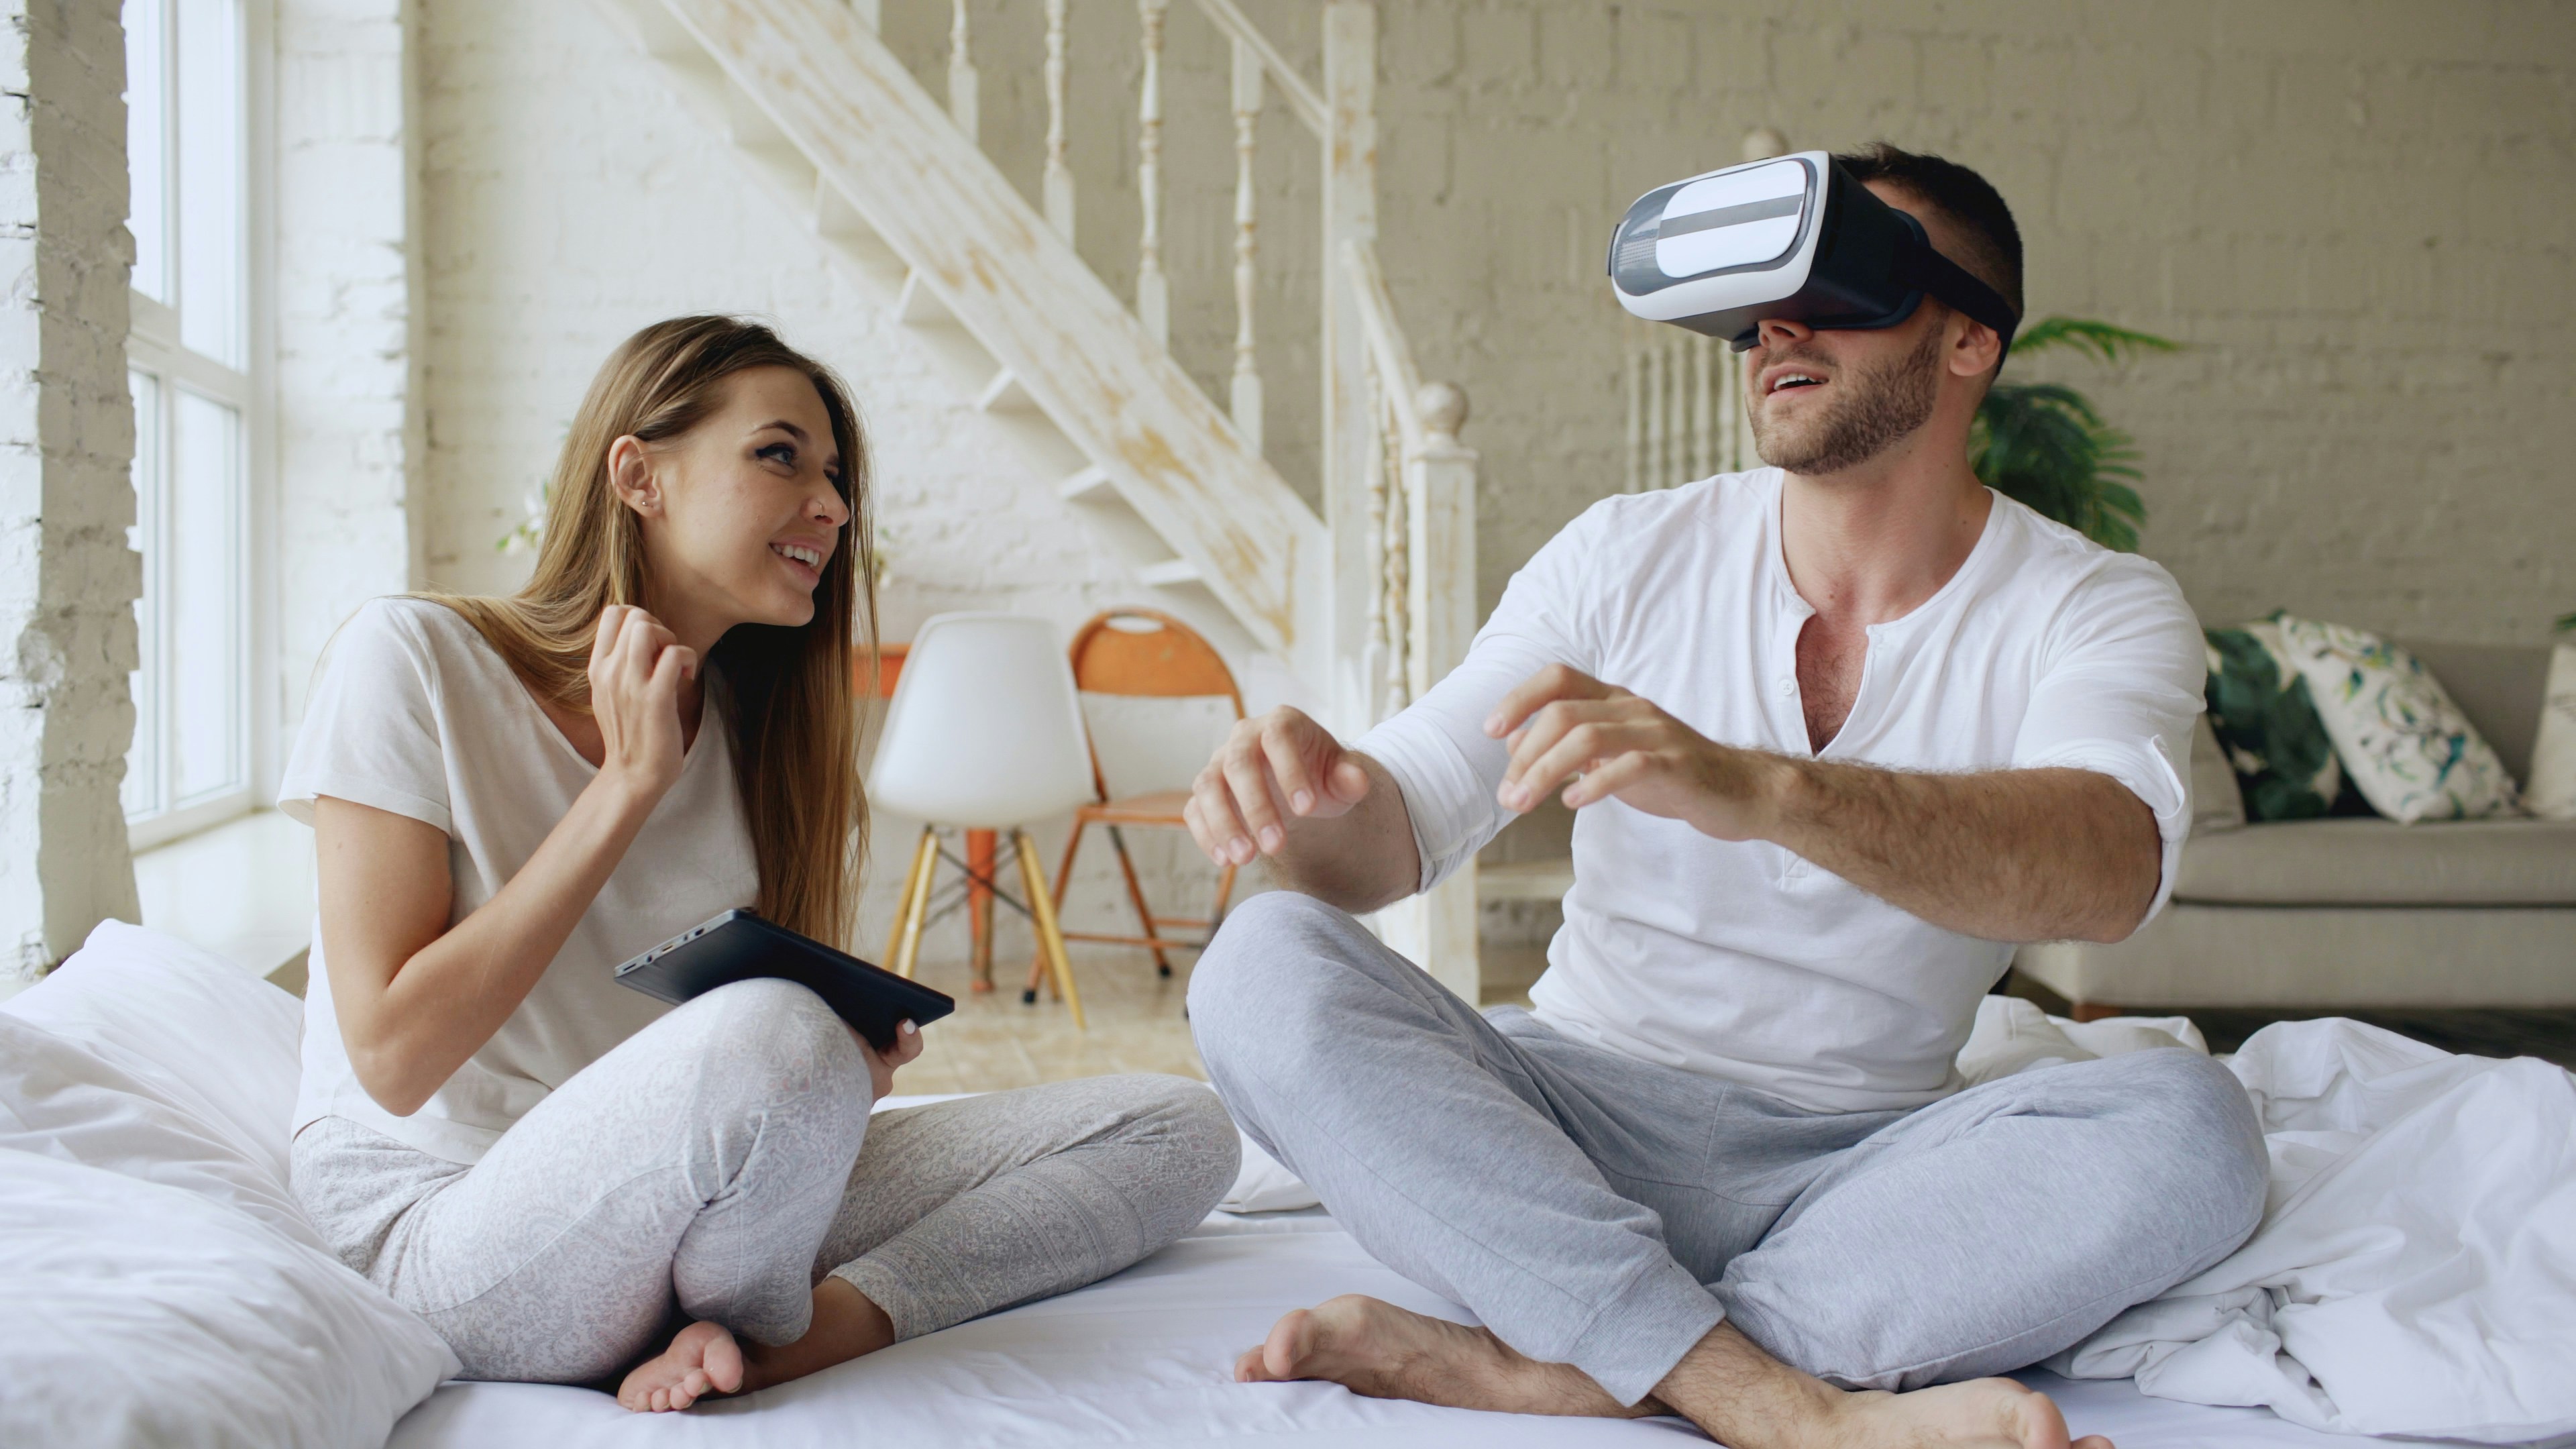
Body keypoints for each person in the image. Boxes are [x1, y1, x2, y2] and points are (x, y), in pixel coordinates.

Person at [1181, 145, 2266, 1449]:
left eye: (1841, 283)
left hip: (1862, 1171)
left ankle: (1557, 1365)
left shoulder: (2094, 604)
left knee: (2192, 1127)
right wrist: (1308, 796)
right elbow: (1387, 837)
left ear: (1971, 339)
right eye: (1757, 302)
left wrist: (1764, 789)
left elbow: (2106, 868)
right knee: (1263, 959)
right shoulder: (1626, 553)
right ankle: (1779, 1404)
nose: (1776, 329)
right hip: (1566, 1124)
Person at [282, 316, 1237, 1412]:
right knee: (781, 1036)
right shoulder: (411, 659)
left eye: (835, 477)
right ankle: (750, 1314)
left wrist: (842, 1077)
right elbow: (393, 1056)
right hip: (445, 1228)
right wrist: (624, 788)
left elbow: (728, 1068)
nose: (832, 508)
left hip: (673, 1215)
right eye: (780, 455)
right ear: (640, 475)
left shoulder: (757, 738)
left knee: (1176, 1129)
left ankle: (799, 1334)